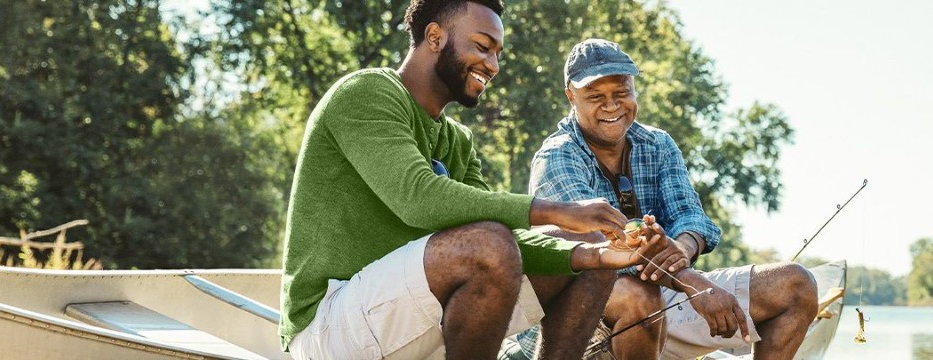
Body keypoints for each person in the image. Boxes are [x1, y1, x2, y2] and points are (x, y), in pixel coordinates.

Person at [279, 2, 667, 359]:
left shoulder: (456, 140)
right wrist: (559, 211)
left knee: (588, 250)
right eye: (482, 47)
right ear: (435, 37)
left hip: (410, 317)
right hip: (329, 326)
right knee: (488, 244)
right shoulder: (367, 93)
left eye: (498, 53)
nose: (493, 65)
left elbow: (506, 240)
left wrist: (597, 255)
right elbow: (417, 198)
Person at [523, 39, 823, 359]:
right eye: (595, 96)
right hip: (586, 319)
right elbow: (601, 249)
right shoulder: (556, 157)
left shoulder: (658, 144)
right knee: (639, 298)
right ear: (571, 96)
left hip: (666, 295)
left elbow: (690, 217)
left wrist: (680, 249)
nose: (611, 106)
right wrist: (691, 282)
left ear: (635, 88)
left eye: (622, 92)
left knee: (797, 284)